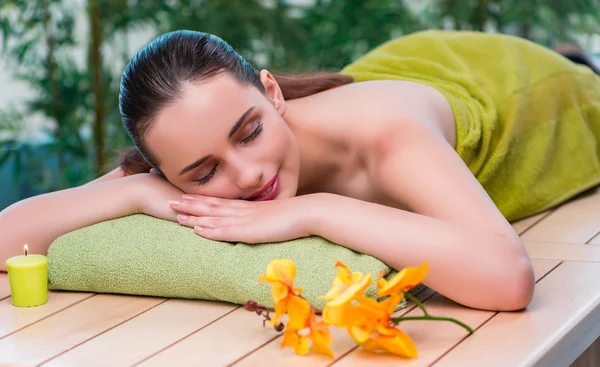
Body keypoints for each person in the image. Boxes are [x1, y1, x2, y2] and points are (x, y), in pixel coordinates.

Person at [3, 29, 600, 313]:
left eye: (250, 131)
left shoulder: (386, 140)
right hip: (391, 67)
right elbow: (9, 236)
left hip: (528, 96)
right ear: (169, 172)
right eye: (203, 172)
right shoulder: (188, 152)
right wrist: (136, 191)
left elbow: (508, 279)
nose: (245, 175)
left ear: (271, 92)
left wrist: (311, 209)